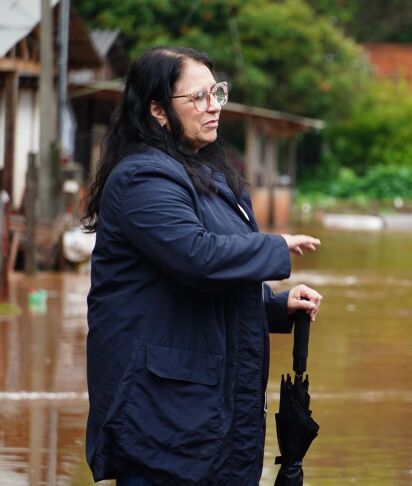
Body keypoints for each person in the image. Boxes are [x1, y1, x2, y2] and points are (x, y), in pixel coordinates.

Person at [82, 46, 323, 484]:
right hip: (164, 418)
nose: (214, 107)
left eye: (217, 93)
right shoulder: (143, 179)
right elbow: (196, 257)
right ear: (157, 110)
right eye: (198, 97)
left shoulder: (210, 176)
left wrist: (274, 307)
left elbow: (198, 289)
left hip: (212, 413)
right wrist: (276, 248)